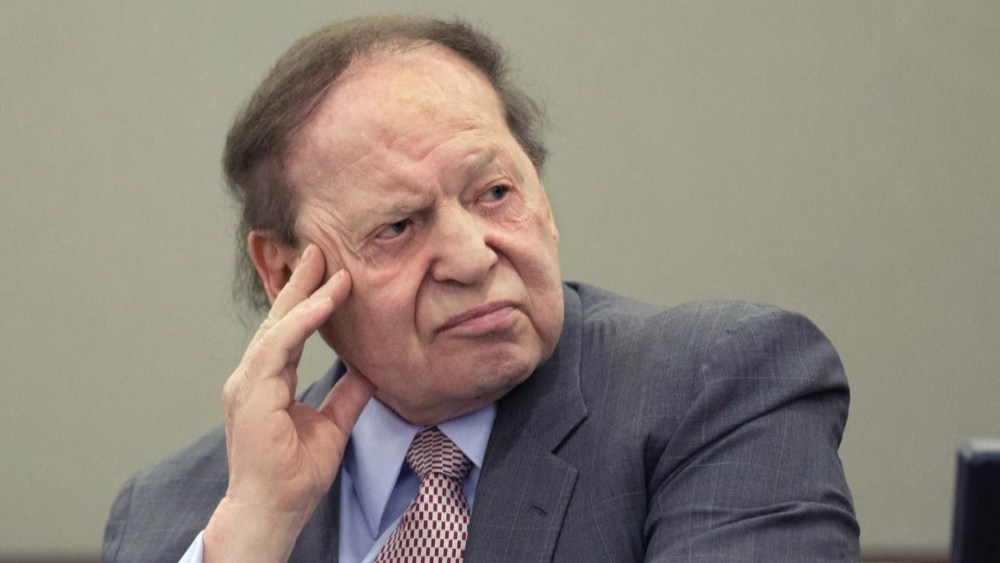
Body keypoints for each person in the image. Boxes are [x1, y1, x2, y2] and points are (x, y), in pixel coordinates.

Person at [103, 15, 860, 563]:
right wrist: (254, 534)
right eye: (398, 226)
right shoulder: (174, 517)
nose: (471, 257)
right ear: (282, 272)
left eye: (495, 192)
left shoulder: (717, 389)